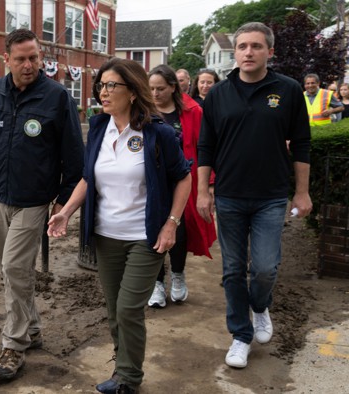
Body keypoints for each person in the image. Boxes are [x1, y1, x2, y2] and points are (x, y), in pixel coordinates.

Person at [47, 58, 192, 394]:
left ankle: (129, 378)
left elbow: (182, 178)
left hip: (145, 236)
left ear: (132, 91)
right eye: (101, 85)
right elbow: (88, 177)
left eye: (112, 85)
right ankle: (122, 366)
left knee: (129, 308)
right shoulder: (99, 127)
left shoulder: (158, 133)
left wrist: (171, 224)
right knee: (115, 310)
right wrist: (67, 211)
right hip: (105, 236)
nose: (103, 91)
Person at [0, 28, 84, 381]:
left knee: (13, 268)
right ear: (5, 59)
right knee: (6, 268)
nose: (29, 65)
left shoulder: (56, 98)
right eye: (21, 58)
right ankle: (33, 328)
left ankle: (13, 345)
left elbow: (73, 155)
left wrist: (64, 204)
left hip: (35, 202)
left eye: (34, 58)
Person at [196, 22, 313, 370]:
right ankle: (241, 335)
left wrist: (302, 193)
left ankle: (260, 306)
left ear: (269, 52)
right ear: (235, 52)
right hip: (229, 195)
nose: (249, 52)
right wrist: (203, 191)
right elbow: (206, 146)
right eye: (243, 46)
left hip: (271, 196)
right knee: (233, 270)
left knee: (263, 269)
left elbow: (303, 143)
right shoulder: (218, 94)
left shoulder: (288, 90)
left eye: (256, 46)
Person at [146, 64, 217, 308]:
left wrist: (208, 185)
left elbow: (205, 148)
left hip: (184, 180)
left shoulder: (192, 110)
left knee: (179, 229)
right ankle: (156, 282)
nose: (155, 94)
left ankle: (177, 274)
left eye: (160, 89)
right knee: (152, 228)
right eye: (151, 89)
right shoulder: (142, 110)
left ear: (173, 87)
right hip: (151, 182)